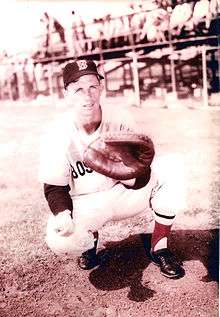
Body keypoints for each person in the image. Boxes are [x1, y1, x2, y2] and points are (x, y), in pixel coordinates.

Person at [39, 57, 186, 278]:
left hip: (125, 193)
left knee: (174, 166)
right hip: (89, 204)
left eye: (92, 87)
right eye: (78, 89)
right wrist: (63, 214)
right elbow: (54, 186)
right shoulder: (57, 133)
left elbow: (142, 171)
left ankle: (159, 246)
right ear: (66, 93)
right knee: (58, 239)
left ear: (100, 87)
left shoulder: (120, 118)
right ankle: (89, 241)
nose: (87, 95)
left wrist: (129, 175)